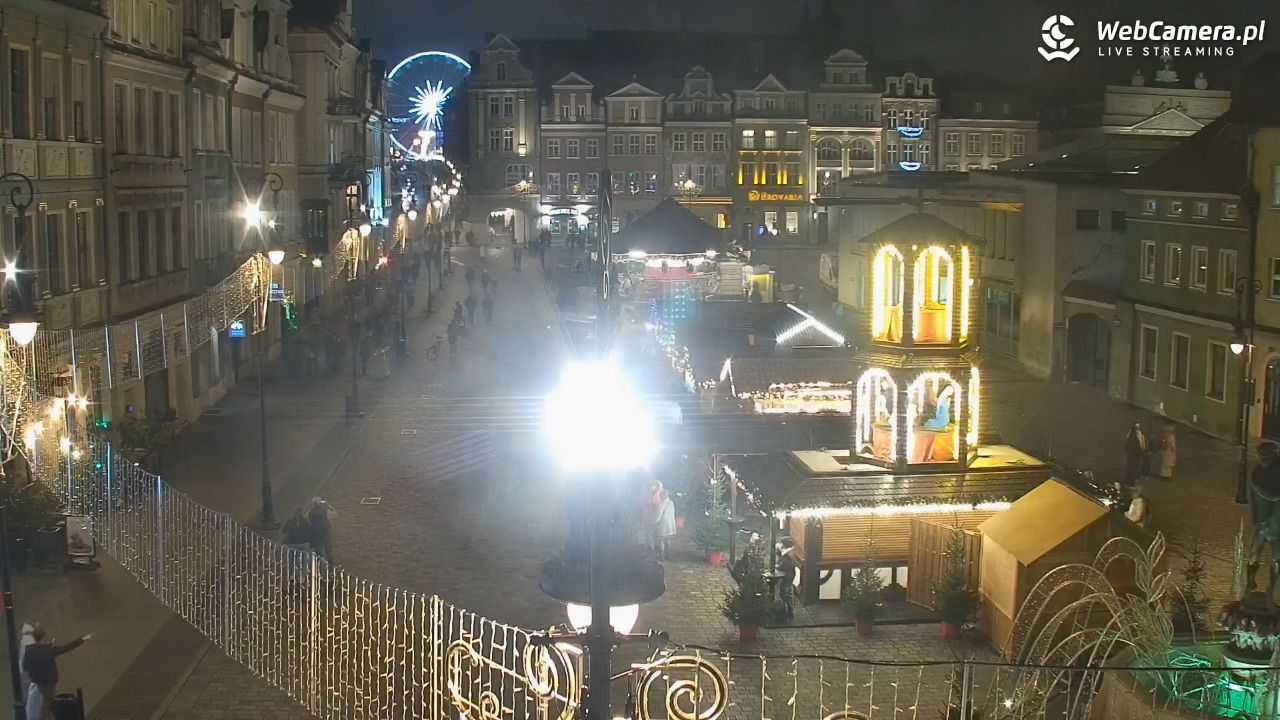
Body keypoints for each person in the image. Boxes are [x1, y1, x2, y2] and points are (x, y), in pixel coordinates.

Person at [22, 625, 90, 720]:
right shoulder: (48, 651)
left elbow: (26, 667)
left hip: (37, 681)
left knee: (37, 702)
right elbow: (65, 648)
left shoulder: (29, 650)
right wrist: (81, 640)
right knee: (48, 705)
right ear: (43, 636)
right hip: (49, 683)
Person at [776, 537, 800, 622]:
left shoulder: (788, 554)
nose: (781, 544)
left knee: (785, 592)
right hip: (789, 575)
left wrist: (778, 566)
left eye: (782, 543)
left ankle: (789, 612)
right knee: (786, 592)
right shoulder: (789, 553)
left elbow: (784, 565)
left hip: (788, 576)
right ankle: (789, 610)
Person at [307, 498, 336, 563]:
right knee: (328, 552)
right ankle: (331, 568)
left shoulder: (310, 512)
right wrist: (329, 506)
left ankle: (318, 569)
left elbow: (308, 520)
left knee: (318, 553)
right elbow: (335, 514)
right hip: (325, 533)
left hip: (316, 535)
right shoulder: (325, 511)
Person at [653, 488, 676, 561]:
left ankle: (661, 556)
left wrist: (655, 522)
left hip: (662, 524)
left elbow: (658, 515)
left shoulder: (660, 504)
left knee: (661, 540)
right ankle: (668, 554)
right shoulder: (671, 503)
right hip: (670, 525)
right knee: (668, 540)